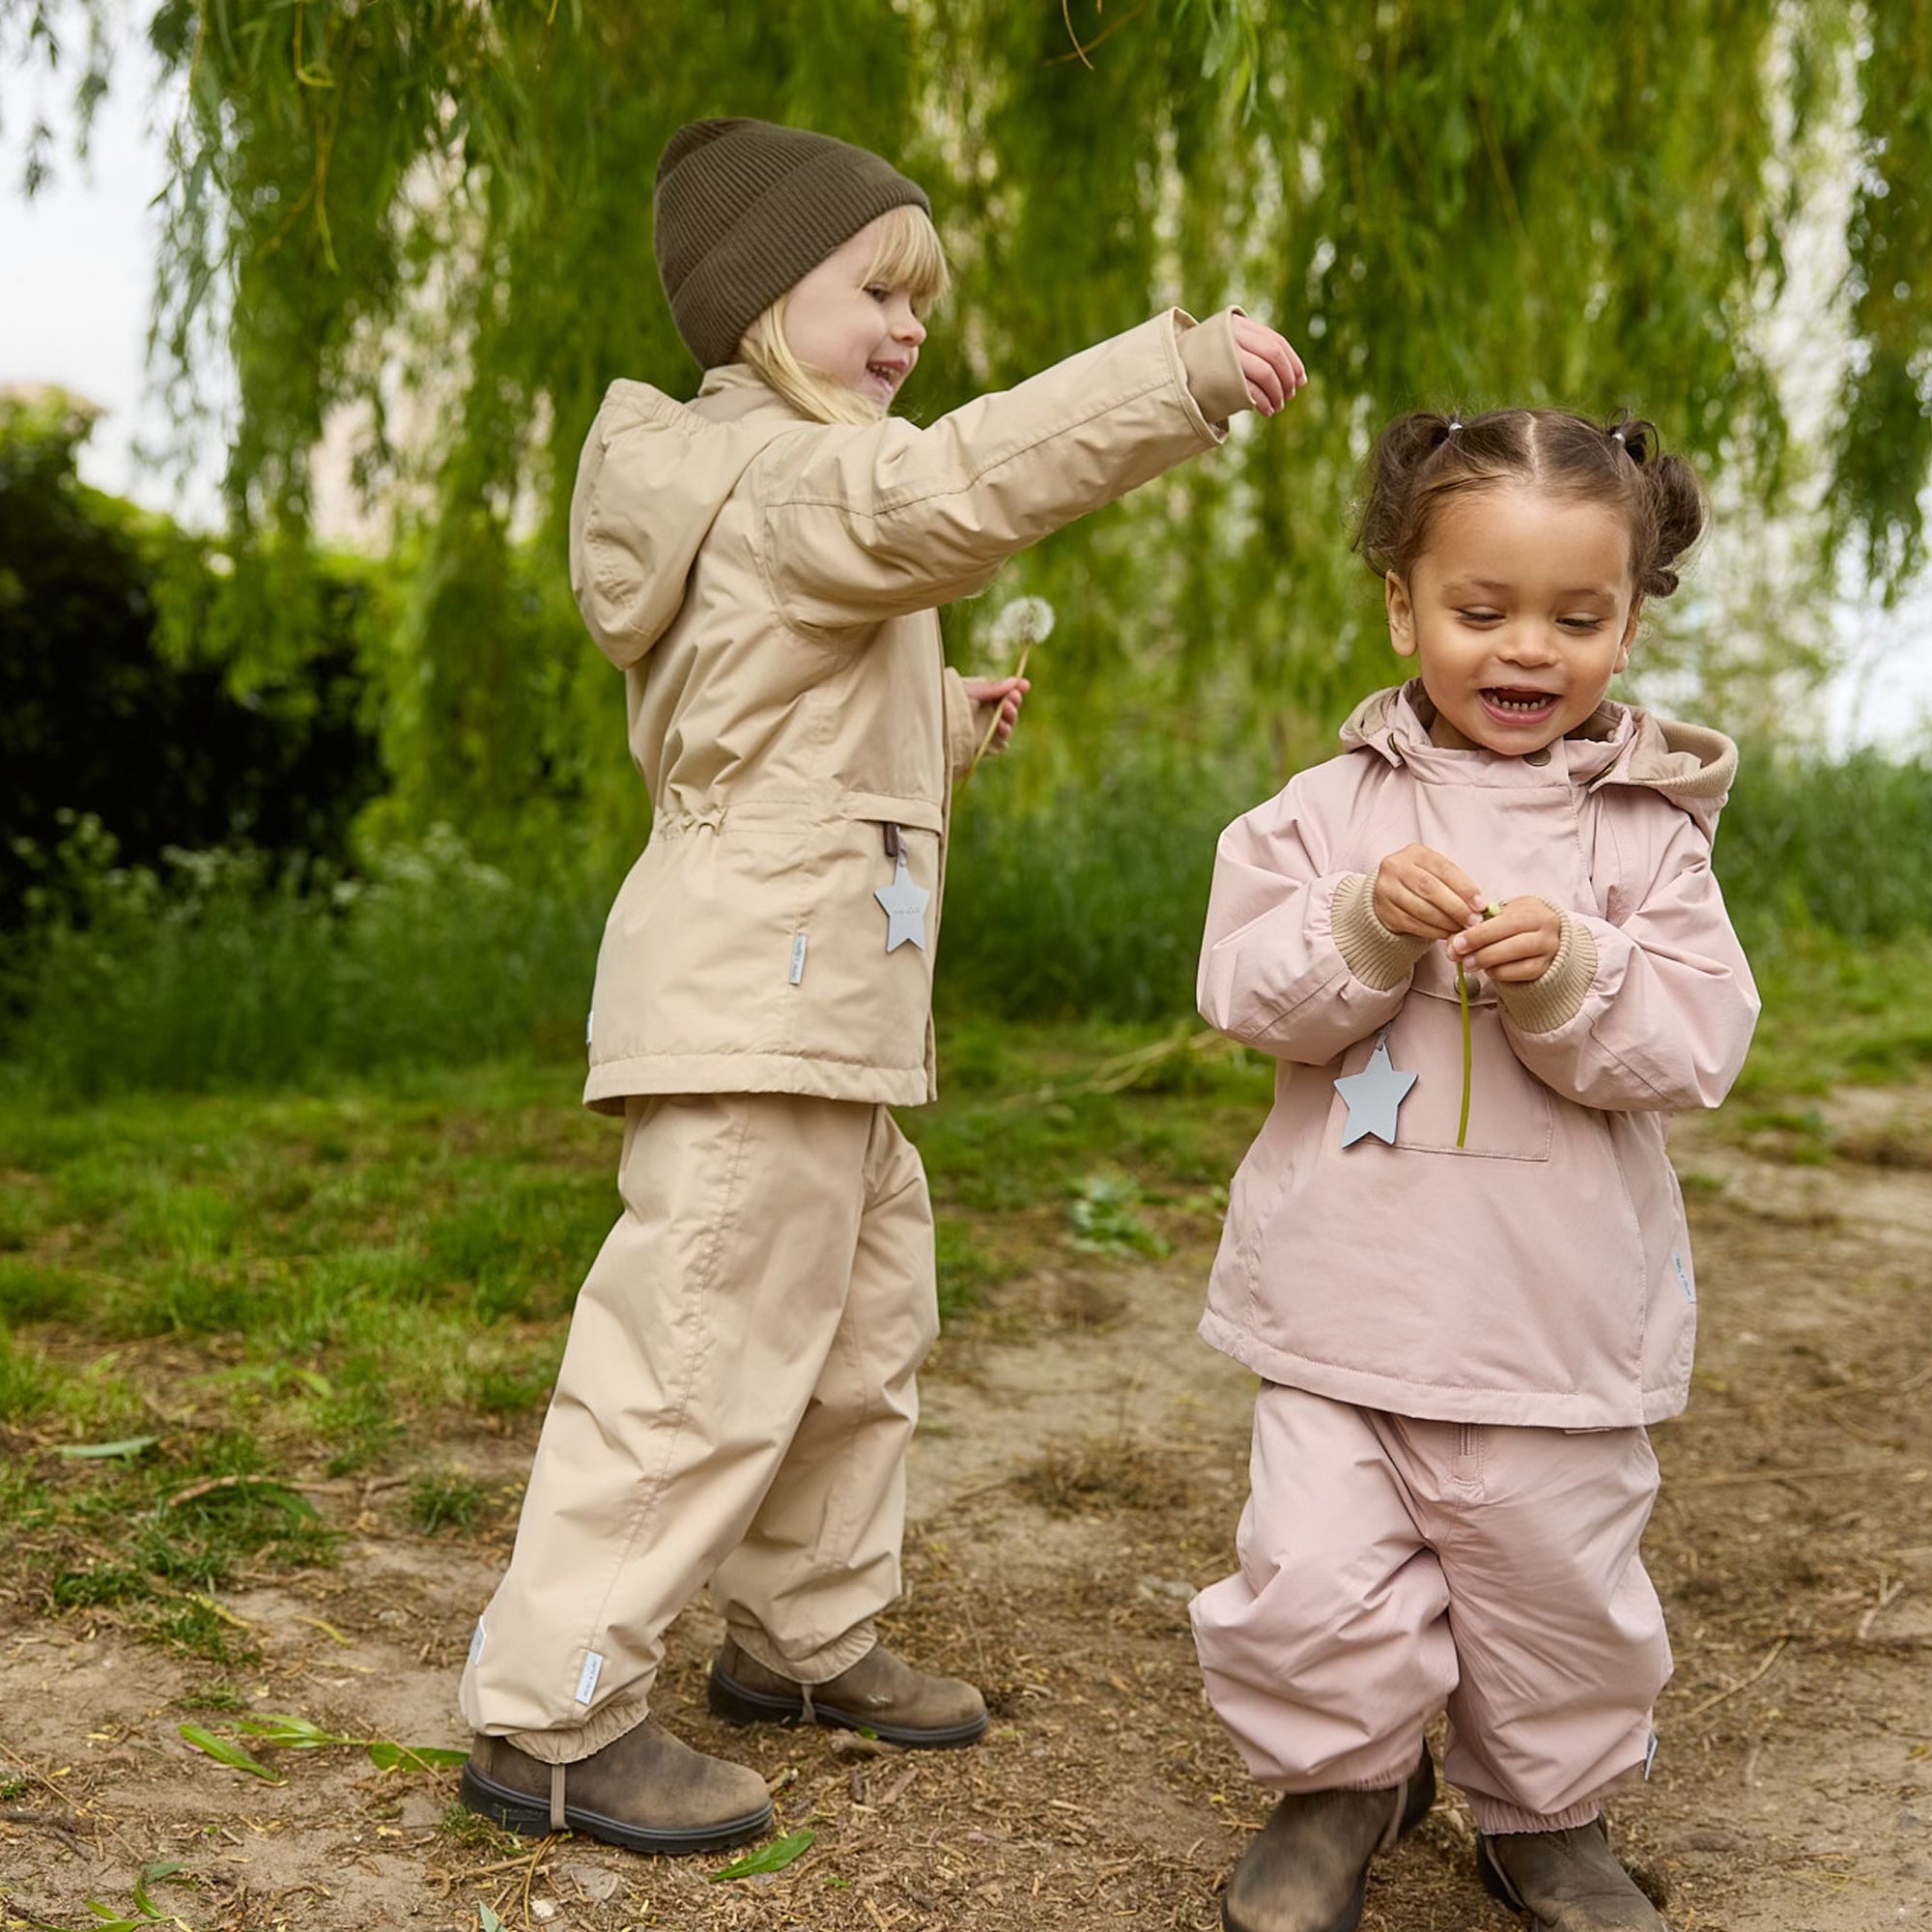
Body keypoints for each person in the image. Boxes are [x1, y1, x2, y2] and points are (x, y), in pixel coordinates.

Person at [454, 115, 1307, 1857]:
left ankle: (807, 1633)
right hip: (761, 1002)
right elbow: (962, 485)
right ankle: (550, 1718)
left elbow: (769, 723)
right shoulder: (793, 477)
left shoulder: (776, 483)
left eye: (921, 301)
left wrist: (936, 722)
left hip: (825, 1001)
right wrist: (1177, 373)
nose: (910, 331)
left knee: (854, 1337)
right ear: (766, 300)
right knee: (695, 1345)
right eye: (876, 292)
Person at [1190, 408, 1759, 1932]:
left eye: (1577, 617)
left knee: (1556, 1589)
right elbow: (1244, 988)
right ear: (1402, 606)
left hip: (1554, 1320)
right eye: (1480, 609)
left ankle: (1545, 1813)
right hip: (1343, 1307)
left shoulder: (1648, 836)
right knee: (1312, 1574)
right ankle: (1342, 1785)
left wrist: (1578, 974)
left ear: (1629, 625)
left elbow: (1701, 1042)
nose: (1527, 649)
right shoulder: (1325, 812)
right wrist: (1362, 928)